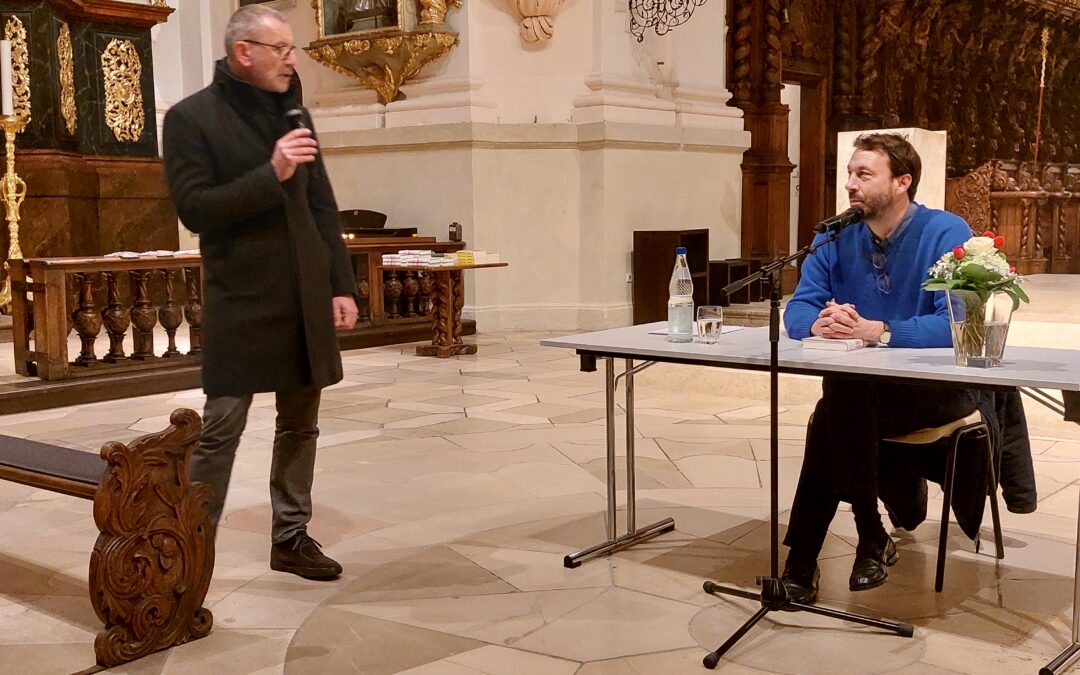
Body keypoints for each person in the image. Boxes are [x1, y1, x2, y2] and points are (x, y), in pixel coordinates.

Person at [162, 5, 359, 580]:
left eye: (292, 50)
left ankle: (291, 537)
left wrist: (339, 284)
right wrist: (269, 173)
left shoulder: (291, 111)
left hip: (302, 293)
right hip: (242, 298)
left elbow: (321, 201)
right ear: (243, 51)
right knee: (222, 426)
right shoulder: (191, 119)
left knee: (301, 420)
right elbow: (196, 209)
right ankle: (189, 548)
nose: (291, 60)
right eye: (281, 50)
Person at [779, 132, 981, 603]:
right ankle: (859, 539)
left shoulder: (946, 231)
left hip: (933, 387)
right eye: (849, 173)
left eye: (864, 174)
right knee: (843, 398)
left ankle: (810, 559)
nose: (850, 183)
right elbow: (798, 312)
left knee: (832, 412)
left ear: (902, 182)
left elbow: (957, 324)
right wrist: (824, 324)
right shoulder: (834, 233)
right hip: (863, 392)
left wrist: (878, 330)